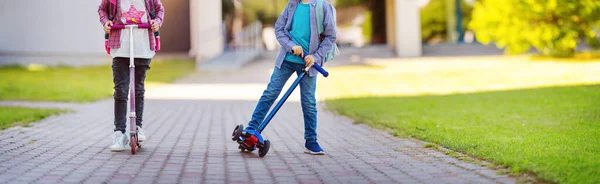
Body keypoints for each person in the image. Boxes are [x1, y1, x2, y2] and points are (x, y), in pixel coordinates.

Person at [244, 0, 337, 155]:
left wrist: (316, 56)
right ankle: (251, 129)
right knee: (270, 93)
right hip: (287, 60)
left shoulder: (323, 7)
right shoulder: (292, 4)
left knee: (308, 102)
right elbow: (279, 29)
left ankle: (311, 141)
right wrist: (291, 45)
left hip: (309, 64)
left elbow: (330, 37)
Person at [98, 0, 164, 152]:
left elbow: (160, 10)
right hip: (120, 46)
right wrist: (106, 22)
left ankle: (138, 127)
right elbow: (102, 9)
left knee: (138, 88)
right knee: (121, 90)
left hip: (143, 46)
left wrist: (157, 22)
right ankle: (119, 132)